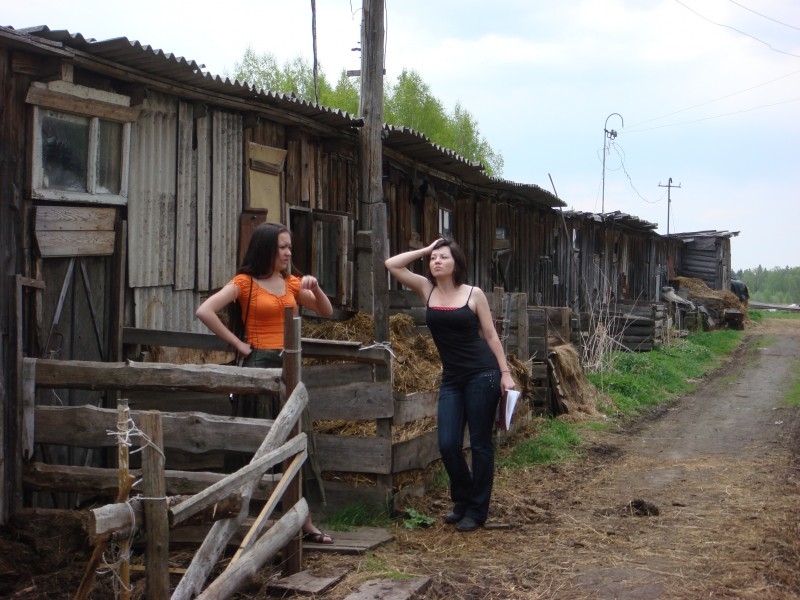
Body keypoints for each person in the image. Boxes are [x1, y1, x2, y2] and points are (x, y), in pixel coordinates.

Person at [196, 221, 334, 544]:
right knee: (256, 443)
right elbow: (205, 310)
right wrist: (241, 345)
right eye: (283, 247)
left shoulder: (290, 284)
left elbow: (325, 310)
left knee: (296, 442)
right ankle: (244, 521)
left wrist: (314, 287)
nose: (289, 253)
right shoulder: (245, 283)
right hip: (258, 367)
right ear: (266, 249)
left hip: (289, 367)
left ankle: (305, 522)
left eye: (290, 247)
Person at [385, 237, 515, 532]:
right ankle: (464, 498)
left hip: (483, 374)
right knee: (447, 444)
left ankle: (477, 510)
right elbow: (391, 264)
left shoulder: (473, 294)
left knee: (480, 444)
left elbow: (491, 336)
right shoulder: (426, 290)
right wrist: (426, 249)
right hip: (452, 378)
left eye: (443, 257)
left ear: (457, 263)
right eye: (433, 259)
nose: (436, 261)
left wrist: (505, 372)